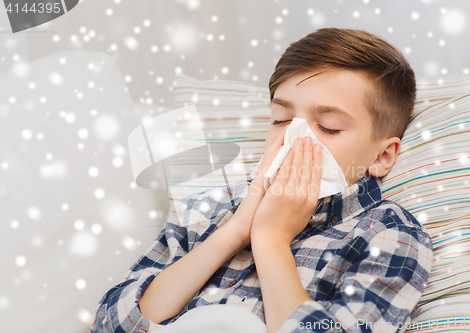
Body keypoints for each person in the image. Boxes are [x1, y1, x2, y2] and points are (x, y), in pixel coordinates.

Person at [90, 27, 433, 333]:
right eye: (282, 119)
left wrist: (271, 239)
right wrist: (236, 231)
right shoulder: (205, 211)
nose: (295, 139)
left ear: (382, 156)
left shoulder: (390, 235)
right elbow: (111, 324)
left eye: (329, 127)